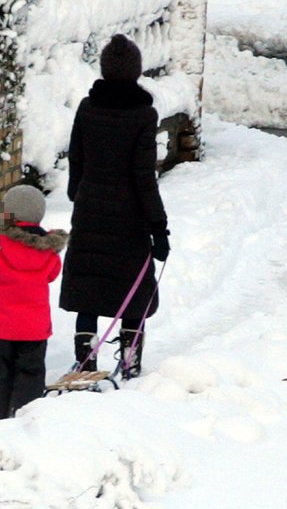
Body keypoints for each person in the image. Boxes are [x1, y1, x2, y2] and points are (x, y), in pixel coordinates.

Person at [59, 34, 170, 379]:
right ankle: (130, 359)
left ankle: (85, 359)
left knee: (89, 285)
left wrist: (78, 193)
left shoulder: (87, 108)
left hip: (90, 208)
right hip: (130, 216)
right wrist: (158, 226)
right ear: (136, 72)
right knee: (132, 287)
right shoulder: (143, 115)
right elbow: (144, 176)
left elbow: (76, 156)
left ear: (105, 70)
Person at [0, 185, 69, 419]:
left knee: (5, 375)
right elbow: (51, 274)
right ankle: (26, 418)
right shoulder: (48, 250)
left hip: (4, 326)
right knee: (32, 373)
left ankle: (4, 418)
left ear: (8, 213)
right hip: (35, 328)